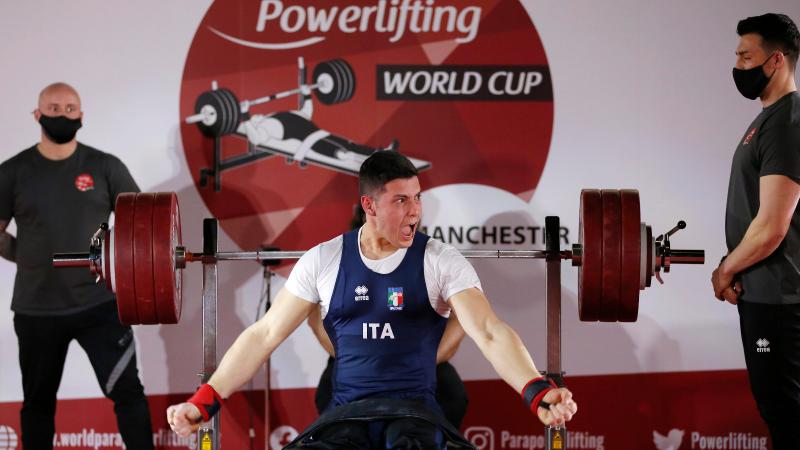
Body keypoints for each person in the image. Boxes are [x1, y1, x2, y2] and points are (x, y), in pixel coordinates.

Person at [167, 151, 577, 449]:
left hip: (415, 415)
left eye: (418, 198)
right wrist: (204, 402)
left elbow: (489, 332)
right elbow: (265, 335)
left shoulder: (441, 261)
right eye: (402, 201)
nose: (415, 211)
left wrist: (536, 392)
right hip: (345, 415)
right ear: (369, 205)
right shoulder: (324, 259)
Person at [0, 82, 154, 449]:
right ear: (37, 115)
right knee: (37, 405)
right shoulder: (13, 172)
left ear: (82, 116)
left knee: (128, 393)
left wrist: (115, 260)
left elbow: (141, 223)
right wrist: (30, 256)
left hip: (100, 305)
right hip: (36, 309)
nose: (62, 115)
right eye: (53, 108)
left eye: (70, 108)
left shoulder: (105, 167)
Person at [711, 13, 800, 450]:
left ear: (776, 60)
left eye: (747, 56)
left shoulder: (787, 122)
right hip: (766, 296)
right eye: (737, 56)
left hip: (780, 302)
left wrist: (726, 270)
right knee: (779, 411)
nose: (738, 66)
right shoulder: (768, 120)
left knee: (784, 412)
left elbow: (771, 227)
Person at [307, 204, 470, 428]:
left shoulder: (433, 257)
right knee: (329, 399)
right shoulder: (334, 257)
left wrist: (421, 360)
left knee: (453, 398)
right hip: (353, 365)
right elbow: (315, 319)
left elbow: (461, 319)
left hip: (420, 364)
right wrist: (359, 359)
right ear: (367, 213)